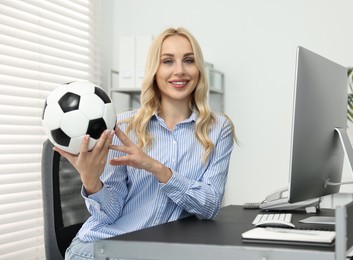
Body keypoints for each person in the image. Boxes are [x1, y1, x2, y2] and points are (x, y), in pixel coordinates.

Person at [57, 27, 236, 260]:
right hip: (102, 248)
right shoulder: (122, 126)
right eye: (168, 61)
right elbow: (109, 215)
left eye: (189, 60)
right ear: (154, 69)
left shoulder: (218, 128)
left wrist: (158, 169)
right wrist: (91, 183)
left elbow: (210, 206)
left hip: (158, 251)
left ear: (199, 69)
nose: (179, 71)